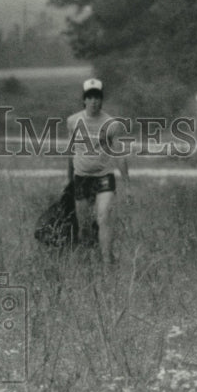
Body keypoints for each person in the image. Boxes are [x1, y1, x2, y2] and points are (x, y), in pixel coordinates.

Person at [65, 78, 130, 264]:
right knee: (84, 226)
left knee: (104, 218)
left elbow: (120, 154)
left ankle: (107, 263)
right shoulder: (73, 121)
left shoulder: (112, 124)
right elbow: (71, 152)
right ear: (84, 100)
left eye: (97, 97)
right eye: (90, 97)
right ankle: (87, 261)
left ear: (102, 100)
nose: (94, 101)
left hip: (104, 178)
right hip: (81, 178)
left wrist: (127, 183)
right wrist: (68, 179)